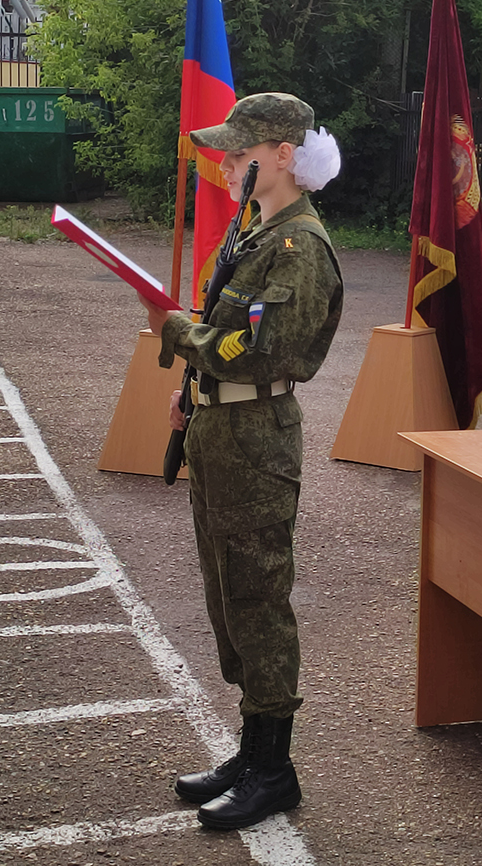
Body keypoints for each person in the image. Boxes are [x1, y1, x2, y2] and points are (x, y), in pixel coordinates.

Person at [140, 93, 344, 830]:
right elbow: (225, 325)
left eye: (239, 151)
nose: (226, 165)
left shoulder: (299, 247)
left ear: (283, 154)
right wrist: (193, 392)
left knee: (258, 596)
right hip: (223, 427)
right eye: (225, 152)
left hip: (258, 437)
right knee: (227, 593)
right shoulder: (255, 229)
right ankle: (251, 750)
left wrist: (183, 341)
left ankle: (274, 770)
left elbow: (259, 350)